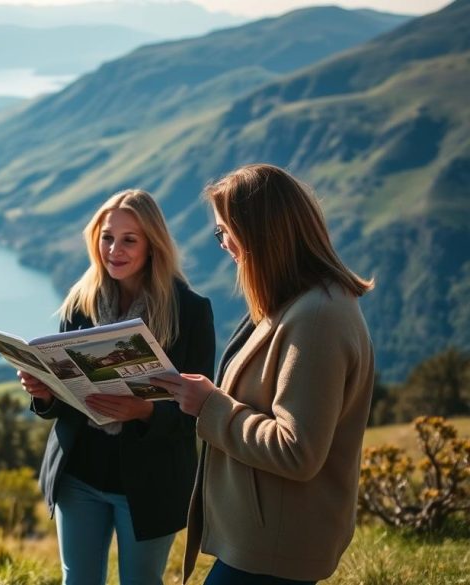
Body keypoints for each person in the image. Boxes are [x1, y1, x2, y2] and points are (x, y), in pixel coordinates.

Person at [150, 164, 375, 585]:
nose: (226, 246)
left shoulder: (317, 318)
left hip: (274, 551)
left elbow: (297, 450)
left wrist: (210, 407)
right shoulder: (296, 303)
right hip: (264, 541)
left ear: (260, 233)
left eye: (226, 233)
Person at [20, 189, 215, 585]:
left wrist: (144, 412)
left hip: (150, 482)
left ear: (152, 245)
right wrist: (44, 395)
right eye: (107, 237)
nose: (114, 249)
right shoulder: (81, 302)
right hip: (79, 473)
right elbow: (68, 398)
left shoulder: (191, 312)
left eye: (129, 239)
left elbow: (199, 408)